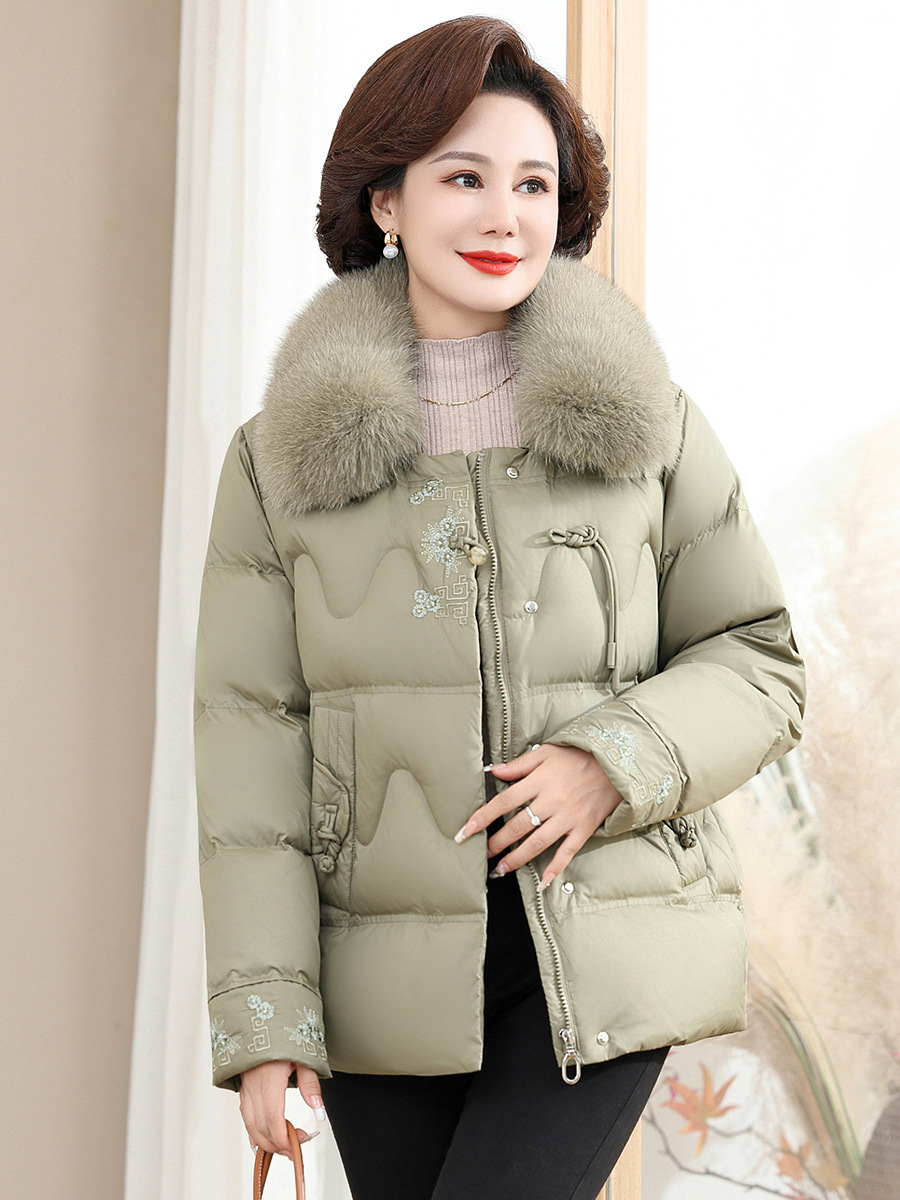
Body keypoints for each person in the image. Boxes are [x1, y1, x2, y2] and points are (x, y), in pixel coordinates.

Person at [193, 15, 806, 1200]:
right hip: (379, 979)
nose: (504, 216)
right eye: (464, 178)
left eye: (533, 183)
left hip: (602, 940)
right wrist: (267, 1019)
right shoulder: (278, 463)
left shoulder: (648, 425)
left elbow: (760, 658)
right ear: (387, 199)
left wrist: (610, 760)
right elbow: (250, 751)